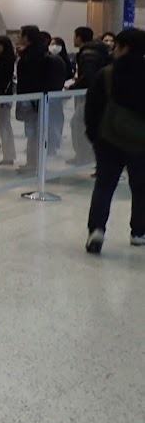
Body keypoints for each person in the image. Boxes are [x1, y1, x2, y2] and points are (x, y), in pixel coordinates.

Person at [84, 28, 145, 255]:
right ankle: (138, 232)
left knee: (104, 185)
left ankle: (97, 230)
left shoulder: (106, 74)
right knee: (141, 188)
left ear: (125, 47)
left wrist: (95, 136)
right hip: (141, 142)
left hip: (108, 139)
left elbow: (92, 109)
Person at [68, 27, 111, 165]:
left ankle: (84, 157)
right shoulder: (96, 51)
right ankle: (86, 157)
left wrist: (73, 87)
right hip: (96, 94)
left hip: (89, 96)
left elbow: (88, 76)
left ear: (79, 37)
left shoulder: (88, 53)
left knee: (78, 124)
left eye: (74, 36)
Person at [14, 25, 48, 175]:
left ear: (27, 37)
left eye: (21, 35)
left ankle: (32, 162)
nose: (19, 38)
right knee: (34, 131)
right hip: (37, 98)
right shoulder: (40, 52)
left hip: (31, 98)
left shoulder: (31, 56)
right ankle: (34, 162)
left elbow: (28, 79)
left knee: (32, 132)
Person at [0, 35, 17, 166]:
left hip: (3, 98)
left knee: (4, 126)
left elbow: (2, 81)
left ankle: (8, 156)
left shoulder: (7, 62)